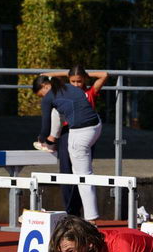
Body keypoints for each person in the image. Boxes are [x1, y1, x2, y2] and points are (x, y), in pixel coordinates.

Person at [32, 75, 102, 221]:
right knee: (56, 111)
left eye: (41, 95)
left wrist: (42, 138)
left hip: (81, 133)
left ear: (45, 86)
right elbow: (56, 114)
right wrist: (51, 139)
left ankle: (91, 219)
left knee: (83, 175)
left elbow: (45, 125)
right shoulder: (67, 87)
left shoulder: (48, 98)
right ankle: (52, 141)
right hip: (97, 126)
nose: (42, 98)